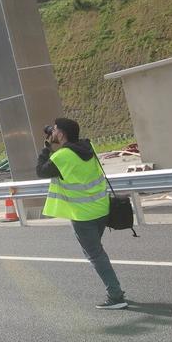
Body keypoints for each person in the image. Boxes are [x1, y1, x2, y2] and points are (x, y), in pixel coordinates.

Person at [36, 117, 127, 309]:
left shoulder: (62, 157)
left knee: (95, 255)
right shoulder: (88, 146)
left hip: (83, 215)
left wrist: (46, 147)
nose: (52, 132)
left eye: (54, 130)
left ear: (60, 133)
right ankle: (115, 291)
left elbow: (41, 171)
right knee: (97, 251)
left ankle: (116, 296)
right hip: (102, 209)